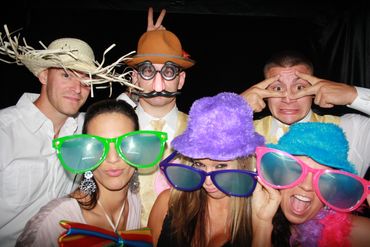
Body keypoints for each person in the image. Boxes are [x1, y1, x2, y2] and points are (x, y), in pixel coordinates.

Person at [0, 25, 136, 246]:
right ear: (44, 75)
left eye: (85, 80)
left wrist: (152, 47)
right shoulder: (4, 132)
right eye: (66, 75)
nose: (77, 88)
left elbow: (119, 114)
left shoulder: (83, 129)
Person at [15, 99, 167, 246]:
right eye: (98, 146)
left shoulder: (133, 201)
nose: (112, 159)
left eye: (125, 144)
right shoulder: (56, 223)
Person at [148, 92, 280, 247]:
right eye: (199, 164)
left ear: (243, 162)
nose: (207, 180)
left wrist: (263, 224)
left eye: (220, 166)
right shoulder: (168, 204)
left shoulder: (261, 212)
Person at [117, 7, 196, 226]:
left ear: (180, 80)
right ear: (135, 78)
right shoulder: (116, 128)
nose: (158, 83)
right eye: (148, 71)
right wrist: (149, 45)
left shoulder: (199, 131)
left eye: (169, 72)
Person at [241, 50, 370, 177]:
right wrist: (233, 107)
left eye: (299, 87)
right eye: (278, 88)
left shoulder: (351, 129)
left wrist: (353, 95)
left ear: (315, 90)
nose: (288, 99)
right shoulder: (239, 133)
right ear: (263, 93)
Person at [255, 122, 370, 246]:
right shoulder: (246, 221)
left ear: (334, 189)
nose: (307, 186)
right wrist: (263, 224)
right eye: (295, 170)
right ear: (278, 173)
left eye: (324, 178)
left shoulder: (352, 233)